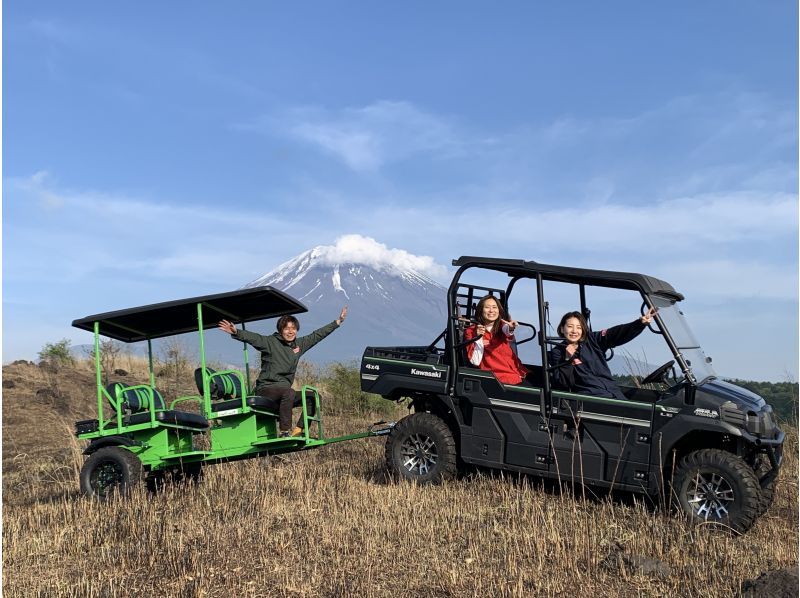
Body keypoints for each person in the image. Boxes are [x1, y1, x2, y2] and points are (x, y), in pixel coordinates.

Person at [218, 306, 347, 437]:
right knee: (288, 392)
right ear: (280, 330)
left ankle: (299, 430)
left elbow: (317, 335)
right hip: (266, 389)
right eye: (287, 328)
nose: (290, 332)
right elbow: (254, 338)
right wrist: (236, 332)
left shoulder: (299, 345)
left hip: (284, 393)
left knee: (313, 396)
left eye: (293, 328)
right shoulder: (270, 342)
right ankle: (284, 431)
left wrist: (337, 322)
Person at [549, 307, 657, 401]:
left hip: (614, 393)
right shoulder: (558, 352)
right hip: (592, 398)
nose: (574, 331)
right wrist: (568, 359)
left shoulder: (592, 340)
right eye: (570, 326)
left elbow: (614, 333)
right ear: (562, 329)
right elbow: (563, 383)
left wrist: (639, 324)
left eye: (578, 327)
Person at [463, 295, 530, 385]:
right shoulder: (471, 331)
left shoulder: (501, 326)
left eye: (494, 307)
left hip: (518, 372)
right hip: (498, 377)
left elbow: (507, 330)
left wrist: (511, 328)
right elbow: (475, 361)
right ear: (480, 310)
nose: (491, 311)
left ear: (499, 311)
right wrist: (478, 338)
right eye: (487, 307)